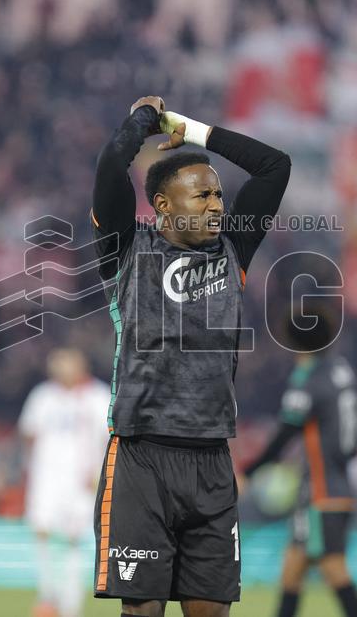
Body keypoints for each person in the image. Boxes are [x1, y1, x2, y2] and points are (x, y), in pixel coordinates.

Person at [90, 95, 291, 617]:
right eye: (202, 195)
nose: (217, 205)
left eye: (218, 194)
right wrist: (145, 119)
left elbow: (275, 166)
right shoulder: (126, 249)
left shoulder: (232, 248)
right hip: (142, 456)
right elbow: (111, 166)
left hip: (212, 460)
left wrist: (192, 129)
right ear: (162, 205)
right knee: (143, 612)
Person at [240, 306, 357, 617]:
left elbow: (286, 432)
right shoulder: (341, 372)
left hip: (320, 490)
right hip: (338, 483)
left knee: (333, 567)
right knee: (292, 568)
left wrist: (249, 471)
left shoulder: (309, 378)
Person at [19, 348, 111, 617]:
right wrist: (26, 469)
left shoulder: (98, 396)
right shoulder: (43, 396)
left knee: (73, 539)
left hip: (80, 481)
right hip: (45, 479)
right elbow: (28, 434)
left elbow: (109, 439)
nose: (59, 369)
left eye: (65, 363)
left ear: (80, 366)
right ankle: (48, 596)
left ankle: (70, 606)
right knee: (42, 533)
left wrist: (101, 473)